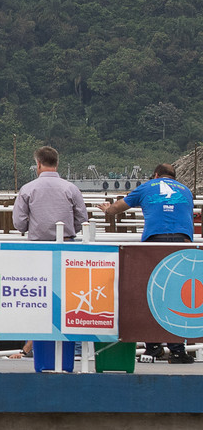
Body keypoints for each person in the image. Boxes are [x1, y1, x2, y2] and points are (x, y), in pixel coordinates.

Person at [103, 163, 197, 363]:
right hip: (182, 242)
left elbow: (118, 208)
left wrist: (108, 209)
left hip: (155, 242)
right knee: (175, 295)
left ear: (156, 175)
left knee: (151, 292)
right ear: (174, 177)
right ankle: (178, 351)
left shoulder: (148, 186)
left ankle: (153, 347)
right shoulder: (186, 190)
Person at [13, 146, 89, 241]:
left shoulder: (27, 189)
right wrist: (69, 229)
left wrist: (34, 228)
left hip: (37, 243)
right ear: (56, 164)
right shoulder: (71, 188)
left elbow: (19, 222)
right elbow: (82, 218)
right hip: (66, 242)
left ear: (38, 163)